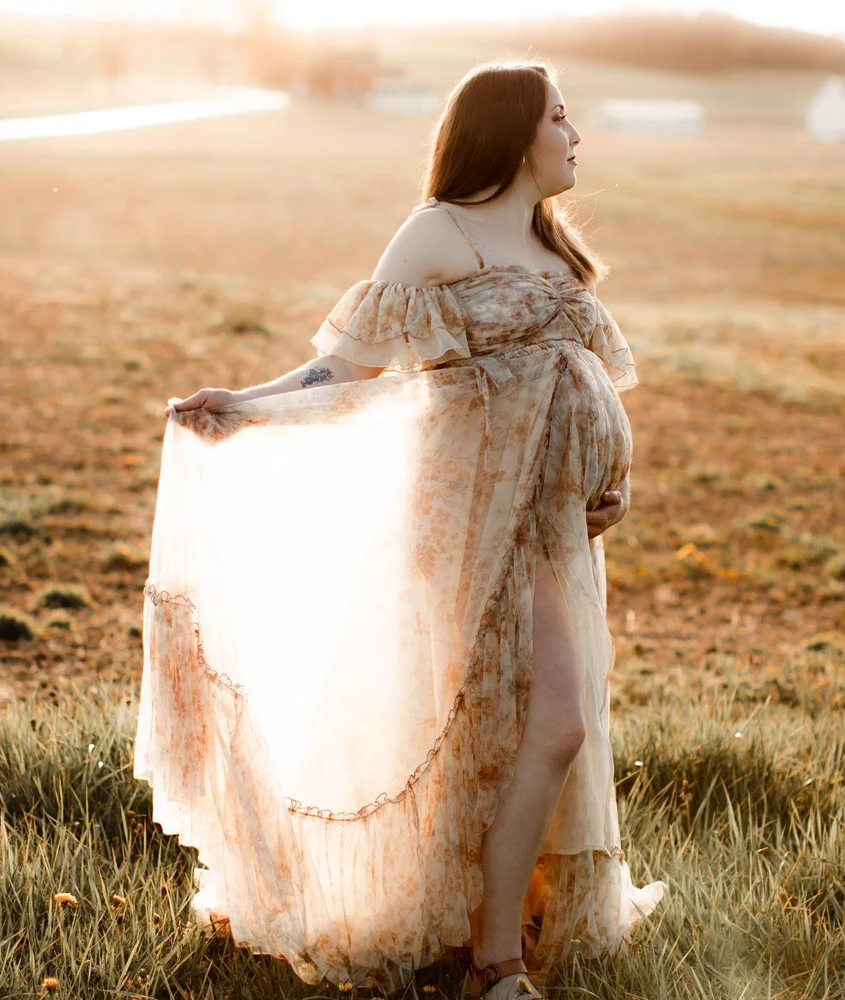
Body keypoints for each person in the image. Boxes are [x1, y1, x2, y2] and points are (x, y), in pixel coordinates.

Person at [135, 59, 668, 1000]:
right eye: (559, 117)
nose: (576, 133)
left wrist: (608, 488)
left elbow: (574, 385)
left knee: (545, 729)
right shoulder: (437, 235)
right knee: (524, 729)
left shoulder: (556, 247)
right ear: (509, 134)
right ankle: (494, 963)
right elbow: (347, 370)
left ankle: (489, 939)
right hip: (465, 523)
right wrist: (246, 405)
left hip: (550, 529)